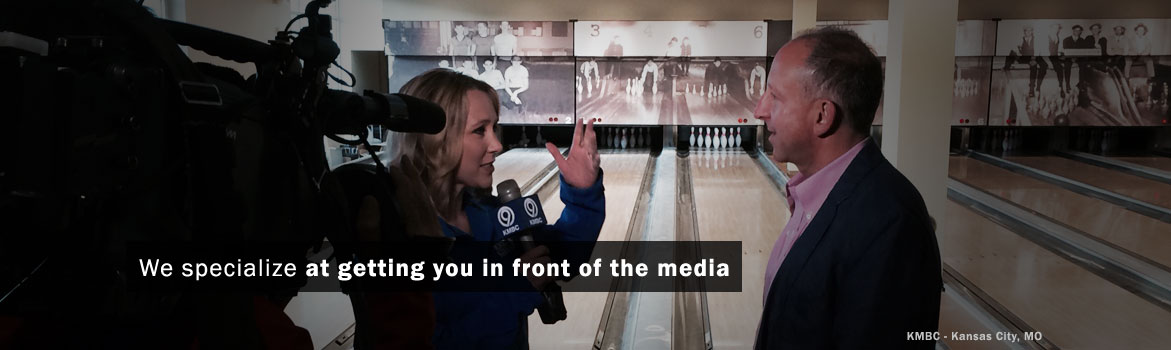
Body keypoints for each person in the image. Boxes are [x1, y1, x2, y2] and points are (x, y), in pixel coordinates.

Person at [751, 26, 941, 349]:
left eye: (775, 96)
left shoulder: (890, 224)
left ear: (823, 116)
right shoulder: (814, 195)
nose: (759, 110)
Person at [386, 69, 605, 349]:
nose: (498, 144)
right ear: (435, 141)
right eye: (480, 130)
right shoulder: (397, 238)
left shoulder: (491, 212)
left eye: (495, 127)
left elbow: (561, 259)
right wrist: (515, 291)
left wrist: (583, 196)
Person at [1003, 25, 1048, 98]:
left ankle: (1033, 88)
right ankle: (1006, 67)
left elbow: (1038, 50)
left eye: (1030, 30)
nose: (1029, 32)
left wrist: (1033, 59)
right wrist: (1017, 52)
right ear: (1024, 32)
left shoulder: (1036, 39)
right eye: (1027, 31)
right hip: (1025, 57)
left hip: (1035, 56)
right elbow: (1015, 49)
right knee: (1012, 52)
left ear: (1032, 32)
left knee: (1040, 65)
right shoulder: (1020, 39)